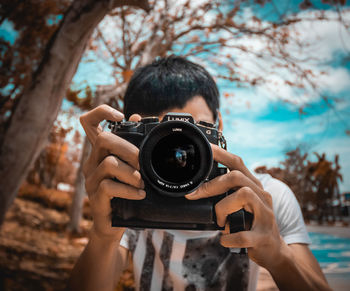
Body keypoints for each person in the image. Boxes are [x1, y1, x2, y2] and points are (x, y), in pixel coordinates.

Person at [69, 56, 331, 291]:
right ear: (132, 136)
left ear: (220, 125)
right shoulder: (128, 191)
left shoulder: (263, 197)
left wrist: (278, 254)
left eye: (198, 130)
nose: (179, 153)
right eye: (159, 139)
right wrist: (103, 236)